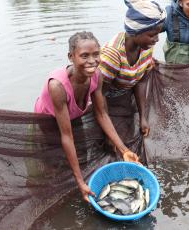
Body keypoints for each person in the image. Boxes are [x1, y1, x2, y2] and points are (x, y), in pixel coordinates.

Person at [34, 31, 141, 202]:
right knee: (55, 159)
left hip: (74, 115)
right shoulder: (57, 86)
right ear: (71, 57)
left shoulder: (96, 76)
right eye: (84, 56)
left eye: (96, 54)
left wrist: (124, 150)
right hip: (50, 120)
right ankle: (59, 188)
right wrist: (79, 180)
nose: (92, 61)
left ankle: (79, 183)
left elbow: (101, 113)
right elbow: (66, 136)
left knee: (81, 151)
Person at [99, 0, 166, 138]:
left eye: (158, 34)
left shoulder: (146, 47)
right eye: (152, 35)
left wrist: (143, 117)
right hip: (105, 103)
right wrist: (109, 133)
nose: (157, 39)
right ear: (135, 32)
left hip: (125, 96)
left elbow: (140, 81)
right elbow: (99, 94)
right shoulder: (113, 55)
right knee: (113, 142)